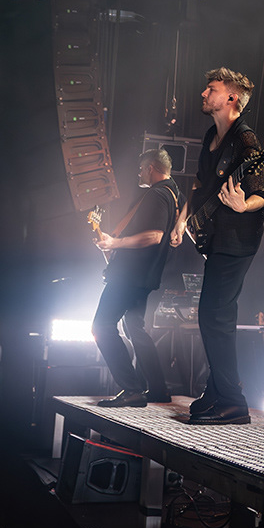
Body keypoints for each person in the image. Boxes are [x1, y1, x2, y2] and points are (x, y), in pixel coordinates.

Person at [171, 68, 264, 425]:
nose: (203, 93)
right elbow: (200, 184)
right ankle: (216, 392)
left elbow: (260, 195)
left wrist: (244, 204)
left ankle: (233, 401)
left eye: (210, 88)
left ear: (231, 98)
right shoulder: (212, 135)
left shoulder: (246, 141)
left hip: (237, 239)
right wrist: (182, 219)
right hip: (215, 238)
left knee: (215, 315)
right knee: (212, 314)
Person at [91, 149, 184, 408]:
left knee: (101, 326)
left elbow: (154, 236)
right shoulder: (175, 194)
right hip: (145, 277)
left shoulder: (157, 194)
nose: (139, 173)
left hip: (130, 276)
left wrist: (115, 242)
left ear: (151, 168)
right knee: (134, 327)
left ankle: (132, 389)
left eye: (142, 169)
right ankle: (158, 389)